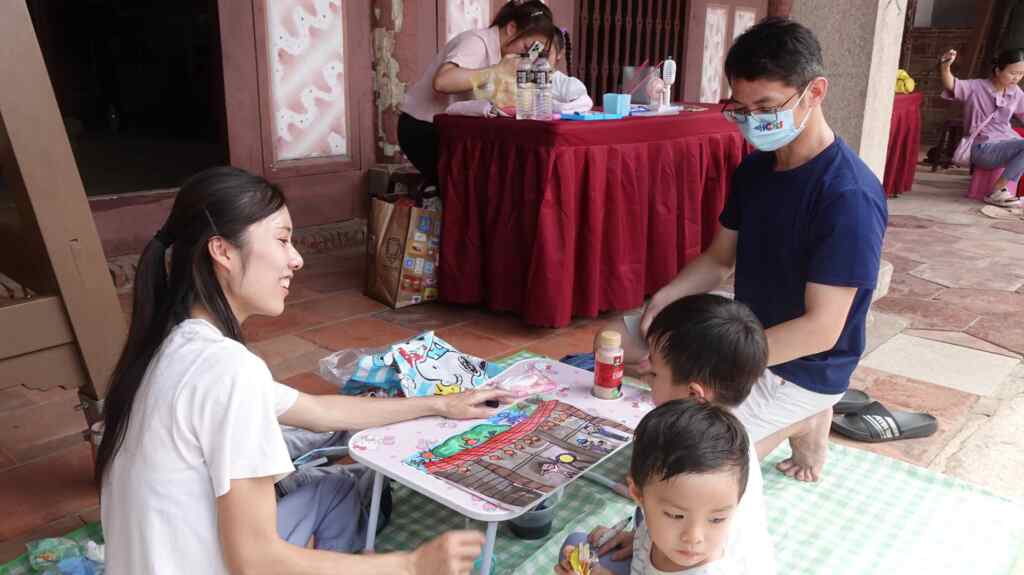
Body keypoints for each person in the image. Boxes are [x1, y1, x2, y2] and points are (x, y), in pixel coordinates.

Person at [96, 166, 511, 575]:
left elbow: (319, 411)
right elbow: (256, 562)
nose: (295, 259)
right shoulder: (227, 371)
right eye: (282, 240)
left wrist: (443, 405)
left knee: (333, 488)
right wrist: (409, 565)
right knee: (336, 503)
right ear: (222, 251)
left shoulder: (173, 346)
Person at [603, 18, 888, 483]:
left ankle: (808, 413)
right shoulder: (757, 170)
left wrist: (709, 364)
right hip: (745, 336)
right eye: (743, 107)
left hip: (804, 363)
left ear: (815, 92)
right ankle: (780, 415)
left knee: (683, 475)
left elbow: (821, 329)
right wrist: (665, 300)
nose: (755, 121)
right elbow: (718, 259)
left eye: (767, 106)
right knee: (617, 337)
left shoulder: (847, 195)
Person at [559, 295, 775, 575]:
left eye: (656, 372)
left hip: (678, 562)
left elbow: (689, 542)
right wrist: (641, 540)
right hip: (661, 551)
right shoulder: (717, 437)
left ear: (693, 395)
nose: (645, 369)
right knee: (579, 546)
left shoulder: (702, 547)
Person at [556, 400, 758, 575]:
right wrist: (632, 540)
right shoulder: (652, 526)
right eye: (676, 515)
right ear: (638, 494)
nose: (694, 537)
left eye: (717, 519)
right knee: (578, 543)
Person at [398, 0, 557, 185]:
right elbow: (442, 82)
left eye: (535, 51)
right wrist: (495, 71)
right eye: (526, 48)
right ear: (512, 28)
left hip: (458, 132)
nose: (528, 55)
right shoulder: (476, 41)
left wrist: (545, 61)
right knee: (468, 190)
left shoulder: (508, 56)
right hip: (423, 128)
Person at [940, 47, 1024, 208]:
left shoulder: (1015, 92)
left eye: (1021, 73)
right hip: (983, 148)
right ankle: (998, 190)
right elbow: (952, 85)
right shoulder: (976, 87)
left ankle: (1004, 190)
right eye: (1013, 73)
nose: (1017, 78)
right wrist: (945, 66)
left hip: (1007, 142)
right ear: (998, 70)